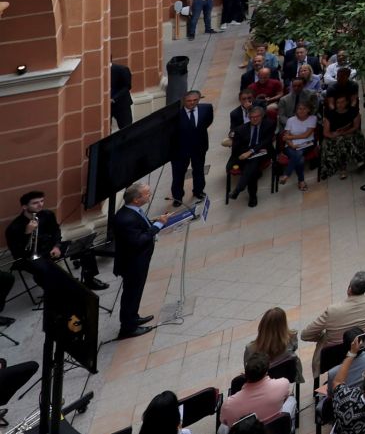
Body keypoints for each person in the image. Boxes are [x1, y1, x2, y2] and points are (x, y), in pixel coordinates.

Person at [110, 183, 175, 339]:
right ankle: (128, 328)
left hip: (138, 261)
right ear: (136, 199)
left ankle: (133, 317)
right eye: (147, 193)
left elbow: (141, 227)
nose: (149, 195)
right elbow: (139, 240)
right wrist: (158, 225)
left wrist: (154, 222)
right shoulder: (126, 219)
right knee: (131, 294)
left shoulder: (133, 211)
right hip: (132, 264)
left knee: (136, 292)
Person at [7, 191, 105, 289]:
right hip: (29, 257)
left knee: (86, 247)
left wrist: (56, 246)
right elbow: (17, 252)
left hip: (50, 248)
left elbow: (56, 232)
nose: (40, 205)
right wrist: (27, 233)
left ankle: (89, 280)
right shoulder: (14, 227)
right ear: (24, 207)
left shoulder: (47, 214)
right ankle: (53, 291)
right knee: (44, 270)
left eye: (42, 201)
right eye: (35, 203)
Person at [300, 271, 365, 367]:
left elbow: (305, 335)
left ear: (349, 289)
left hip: (335, 355)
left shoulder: (333, 311)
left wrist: (323, 337)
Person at [221, 349, 295, 429]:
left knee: (223, 428)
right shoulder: (283, 384)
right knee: (291, 399)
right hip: (274, 430)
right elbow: (286, 397)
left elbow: (224, 421)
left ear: (245, 374)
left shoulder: (228, 406)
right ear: (266, 371)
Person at [170, 88, 215, 206]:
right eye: (189, 101)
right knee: (178, 174)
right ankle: (178, 197)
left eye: (195, 100)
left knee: (199, 170)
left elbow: (207, 122)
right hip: (180, 150)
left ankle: (198, 191)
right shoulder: (175, 114)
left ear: (199, 99)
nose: (192, 103)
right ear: (183, 101)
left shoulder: (207, 108)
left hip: (199, 147)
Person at [228, 103, 274, 207]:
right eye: (252, 117)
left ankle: (239, 189)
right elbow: (236, 148)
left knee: (253, 162)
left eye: (257, 116)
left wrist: (251, 151)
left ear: (262, 116)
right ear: (249, 117)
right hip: (246, 156)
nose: (254, 119)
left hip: (263, 152)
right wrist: (246, 154)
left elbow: (266, 141)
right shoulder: (241, 129)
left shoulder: (269, 124)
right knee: (253, 168)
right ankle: (251, 195)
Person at [320, 91, 365, 180]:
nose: (340, 104)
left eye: (342, 102)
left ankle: (350, 163)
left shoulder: (353, 112)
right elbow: (326, 132)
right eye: (338, 102)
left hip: (350, 133)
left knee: (346, 139)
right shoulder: (330, 115)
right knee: (340, 141)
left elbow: (356, 127)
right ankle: (347, 165)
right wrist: (335, 135)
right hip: (334, 136)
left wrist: (344, 132)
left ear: (347, 102)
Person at [110, 61, 133, 131]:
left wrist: (114, 99)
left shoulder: (122, 69)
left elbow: (127, 87)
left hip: (122, 104)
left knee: (126, 129)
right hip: (108, 106)